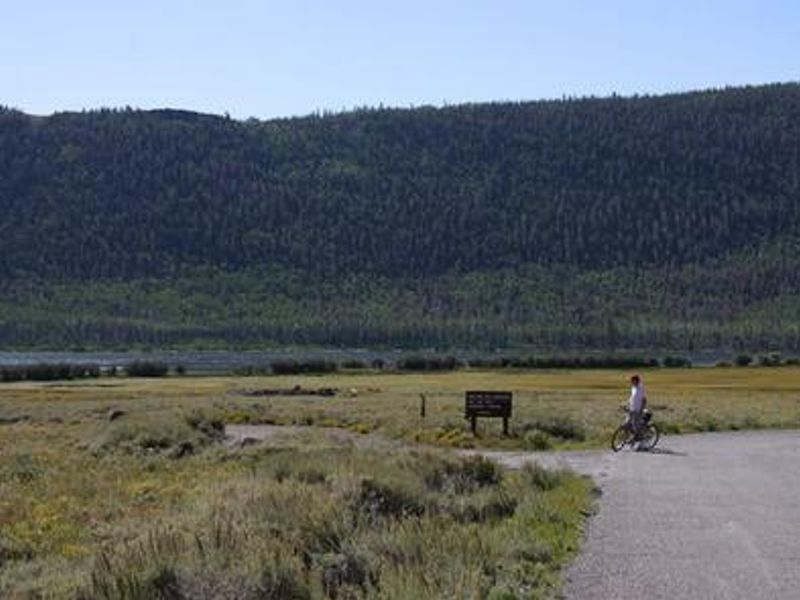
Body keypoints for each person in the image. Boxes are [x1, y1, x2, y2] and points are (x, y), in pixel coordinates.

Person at [627, 374, 647, 445]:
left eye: (633, 380)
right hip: (631, 409)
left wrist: (642, 409)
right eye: (631, 381)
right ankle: (633, 437)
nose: (631, 382)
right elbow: (632, 398)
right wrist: (626, 404)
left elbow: (644, 399)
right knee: (627, 423)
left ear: (637, 381)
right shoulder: (633, 388)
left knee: (636, 426)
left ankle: (642, 441)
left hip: (638, 410)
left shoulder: (641, 388)